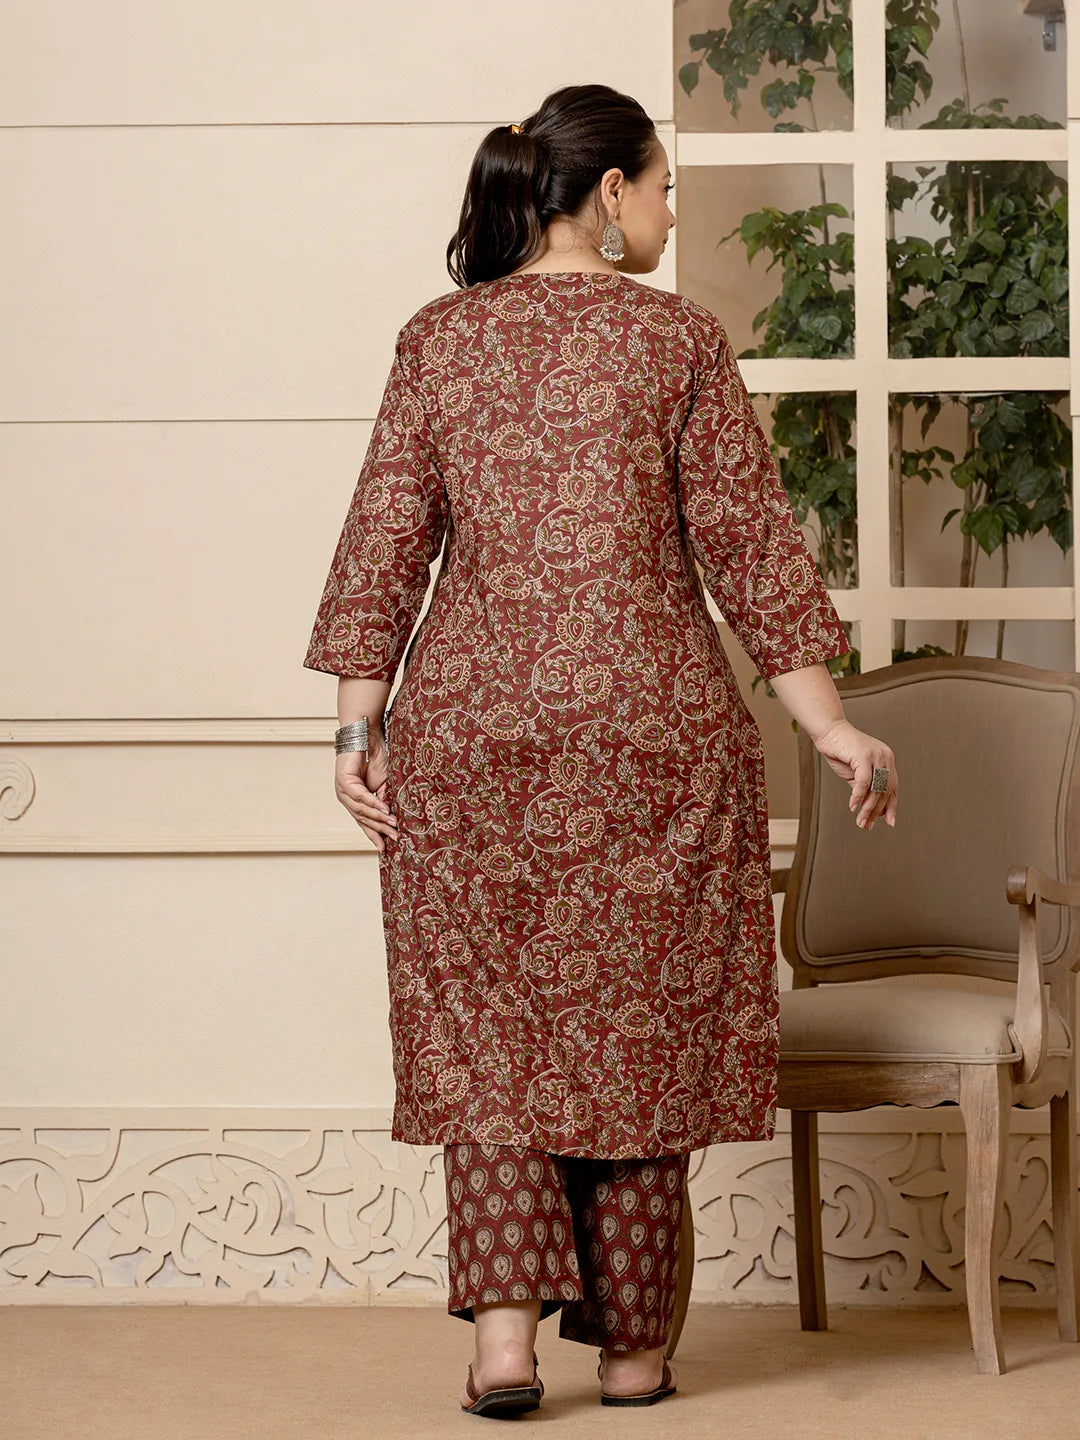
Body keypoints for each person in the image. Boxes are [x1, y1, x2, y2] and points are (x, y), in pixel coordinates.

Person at [303, 82, 898, 1416]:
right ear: (612, 192)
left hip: (473, 738)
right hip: (657, 739)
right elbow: (750, 549)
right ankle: (633, 1352)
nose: (673, 213)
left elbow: (385, 540)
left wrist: (356, 726)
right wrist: (828, 723)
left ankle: (505, 1348)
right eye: (665, 186)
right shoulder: (677, 339)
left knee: (490, 1041)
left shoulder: (441, 340)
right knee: (644, 1035)